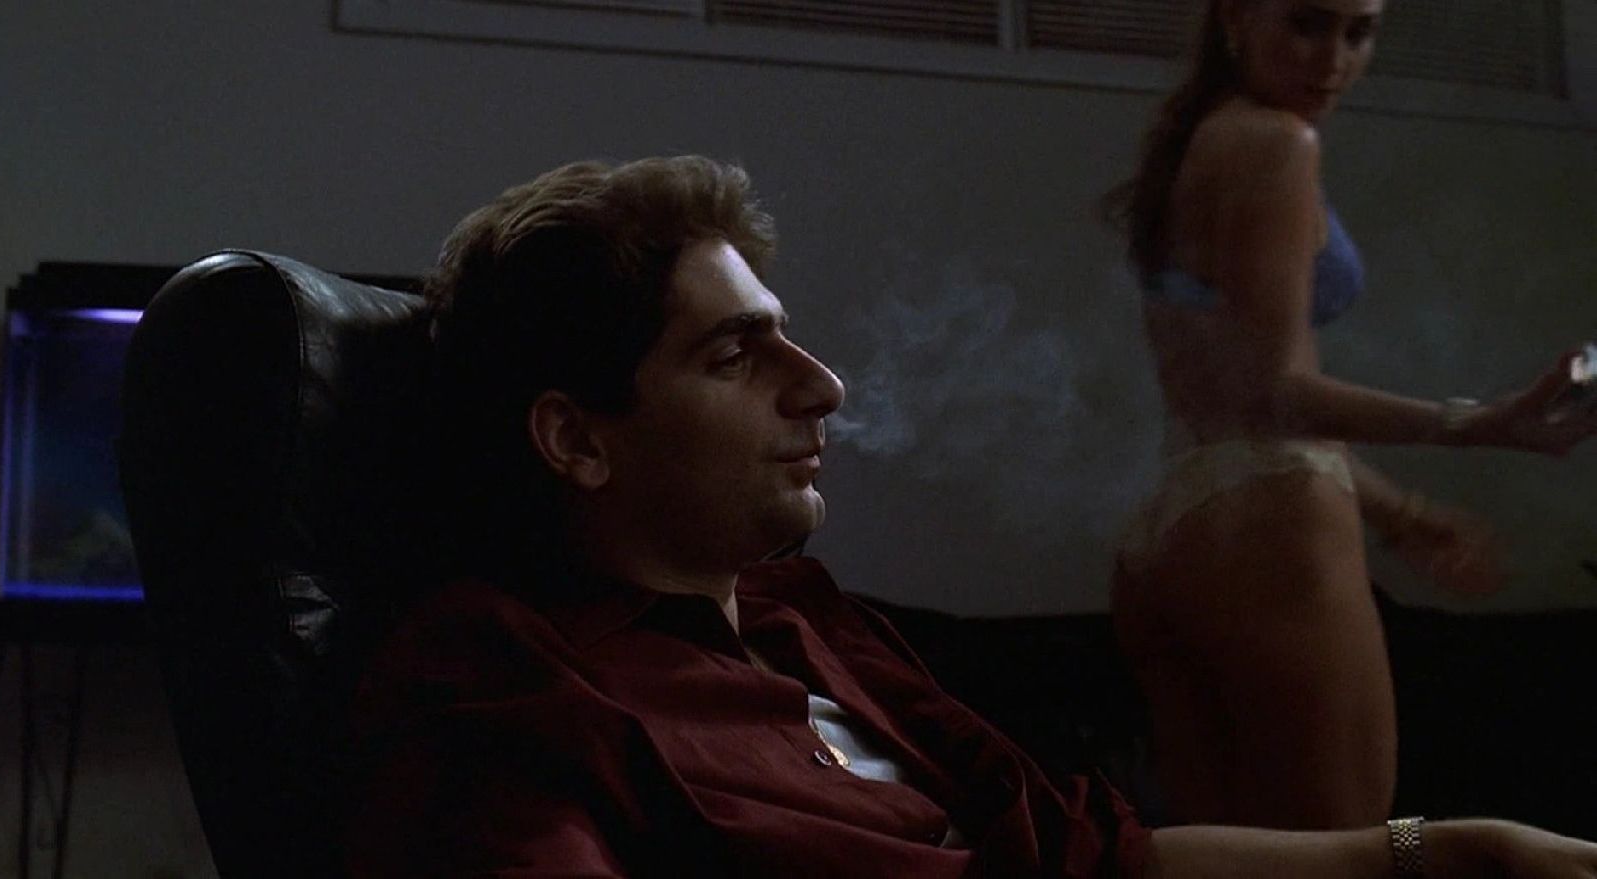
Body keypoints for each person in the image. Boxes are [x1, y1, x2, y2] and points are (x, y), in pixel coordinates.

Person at [342, 155, 1597, 876]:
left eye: (789, 338)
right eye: (733, 355)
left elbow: (1091, 859)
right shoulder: (503, 683)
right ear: (576, 439)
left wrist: (1447, 852)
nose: (823, 387)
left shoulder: (805, 621)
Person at [1103, 0, 1597, 831]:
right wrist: (1479, 422)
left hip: (1165, 538)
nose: (1332, 58)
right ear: (1236, 17)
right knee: (1350, 854)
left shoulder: (1202, 140)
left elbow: (1232, 402)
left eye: (1358, 31)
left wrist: (1397, 511)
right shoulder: (1277, 143)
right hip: (1269, 526)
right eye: (1306, 23)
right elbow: (1278, 393)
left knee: (1220, 861)